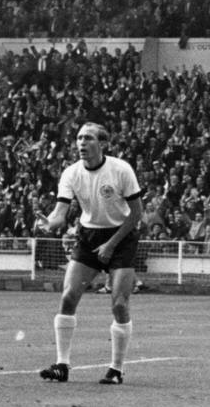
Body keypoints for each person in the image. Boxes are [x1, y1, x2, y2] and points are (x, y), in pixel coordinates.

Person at [35, 122, 144, 385]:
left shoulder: (120, 169)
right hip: (88, 236)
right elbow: (60, 214)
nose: (82, 143)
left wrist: (110, 245)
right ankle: (62, 365)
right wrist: (49, 223)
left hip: (122, 236)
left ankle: (116, 369)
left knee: (119, 303)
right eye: (79, 138)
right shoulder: (71, 173)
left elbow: (137, 213)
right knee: (68, 296)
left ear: (102, 144)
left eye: (88, 138)